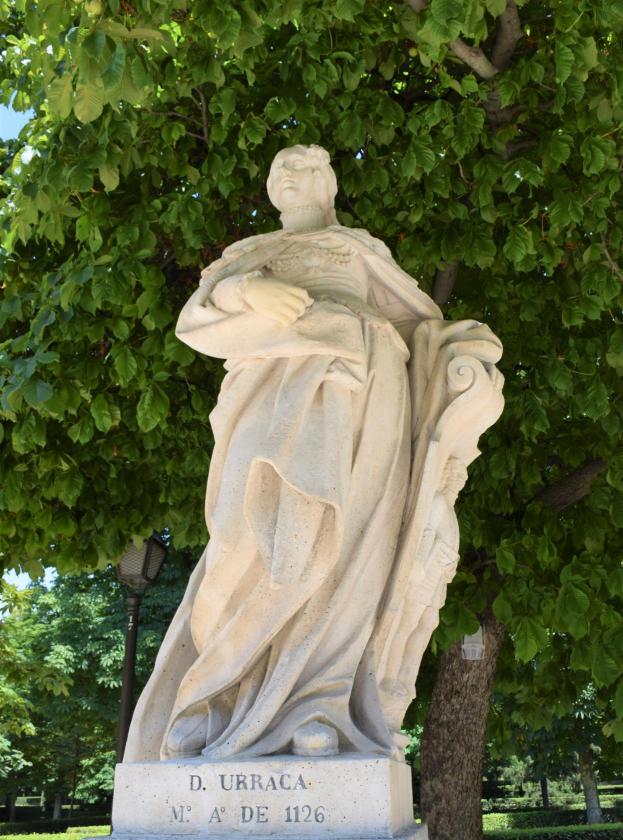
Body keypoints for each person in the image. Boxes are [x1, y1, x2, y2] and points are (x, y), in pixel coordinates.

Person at [123, 144, 503, 764]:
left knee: (342, 549)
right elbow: (196, 320)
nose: (289, 177)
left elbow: (421, 332)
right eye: (280, 170)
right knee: (241, 542)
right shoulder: (250, 253)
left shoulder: (360, 250)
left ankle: (316, 707)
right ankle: (212, 703)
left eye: (303, 168)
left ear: (328, 184)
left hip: (361, 390)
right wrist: (250, 290)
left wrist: (465, 358)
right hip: (270, 387)